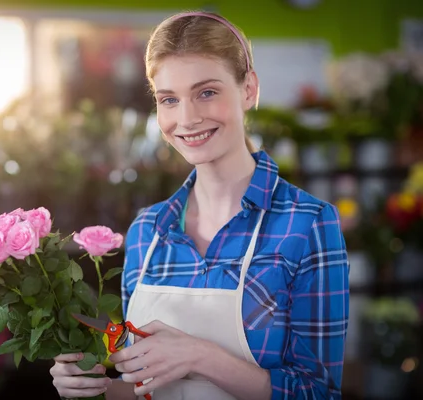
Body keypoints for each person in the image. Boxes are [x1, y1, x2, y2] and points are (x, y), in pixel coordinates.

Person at [50, 10, 349, 400]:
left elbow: (320, 393)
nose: (187, 118)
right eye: (169, 99)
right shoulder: (148, 230)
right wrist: (96, 389)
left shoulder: (307, 224)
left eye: (206, 92)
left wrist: (200, 356)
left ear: (248, 90)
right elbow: (143, 386)